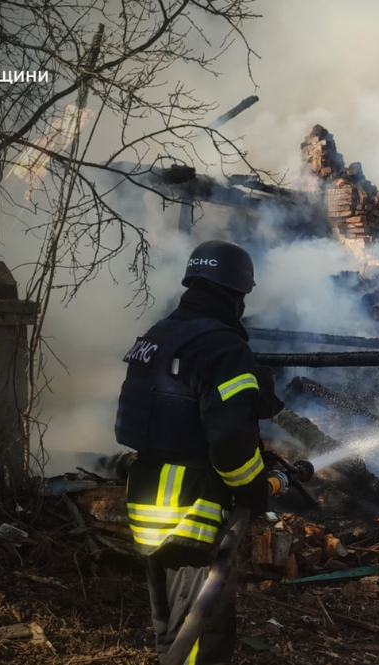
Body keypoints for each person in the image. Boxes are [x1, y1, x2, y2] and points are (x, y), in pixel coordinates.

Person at [114, 239, 282, 665]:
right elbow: (230, 441)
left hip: (148, 501)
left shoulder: (161, 334)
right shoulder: (223, 347)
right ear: (236, 293)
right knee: (197, 637)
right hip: (191, 512)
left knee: (171, 630)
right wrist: (254, 489)